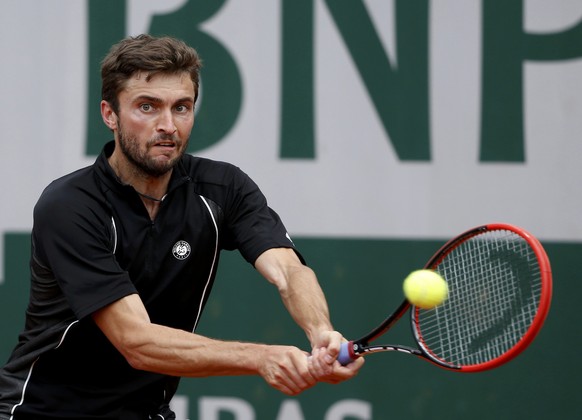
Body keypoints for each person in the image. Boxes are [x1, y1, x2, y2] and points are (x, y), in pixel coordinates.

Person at [0, 34, 363, 419]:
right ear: (110, 114)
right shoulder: (70, 206)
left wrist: (320, 331)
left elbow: (288, 270)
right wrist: (260, 357)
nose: (168, 125)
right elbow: (136, 341)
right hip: (42, 412)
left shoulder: (224, 188)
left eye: (181, 107)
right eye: (147, 107)